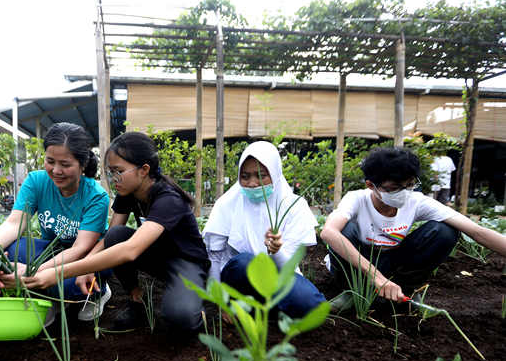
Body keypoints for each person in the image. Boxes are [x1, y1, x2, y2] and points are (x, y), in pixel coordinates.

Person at [22, 131, 209, 330]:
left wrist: (57, 273)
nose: (114, 178)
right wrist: (88, 266)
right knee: (116, 234)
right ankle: (139, 303)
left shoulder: (168, 199)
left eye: (118, 171)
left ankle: (198, 310)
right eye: (111, 171)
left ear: (144, 170)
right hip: (157, 257)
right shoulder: (128, 192)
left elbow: (131, 250)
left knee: (180, 317)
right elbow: (109, 238)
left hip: (186, 262)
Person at [320, 147, 506, 309]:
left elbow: (477, 232)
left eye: (409, 185)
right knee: (344, 230)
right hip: (357, 264)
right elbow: (328, 232)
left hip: (392, 262)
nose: (404, 192)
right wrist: (375, 276)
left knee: (446, 232)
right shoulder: (357, 199)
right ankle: (353, 291)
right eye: (394, 187)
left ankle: (405, 291)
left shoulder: (416, 202)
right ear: (371, 185)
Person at [0, 123, 111, 326]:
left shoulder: (96, 196)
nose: (56, 171)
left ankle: (99, 292)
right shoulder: (36, 181)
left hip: (85, 259)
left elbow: (80, 248)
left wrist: (31, 273)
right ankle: (48, 297)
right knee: (12, 249)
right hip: (52, 252)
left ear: (82, 165)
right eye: (50, 161)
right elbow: (13, 224)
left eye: (65, 164)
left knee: (71, 285)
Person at [202, 141, 325, 318]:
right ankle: (242, 305)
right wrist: (221, 303)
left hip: (278, 276)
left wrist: (276, 252)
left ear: (274, 173)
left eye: (261, 175)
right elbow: (214, 257)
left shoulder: (294, 206)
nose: (252, 183)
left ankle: (257, 310)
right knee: (244, 261)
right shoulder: (227, 204)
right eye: (245, 177)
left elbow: (287, 269)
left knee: (313, 305)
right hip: (239, 279)